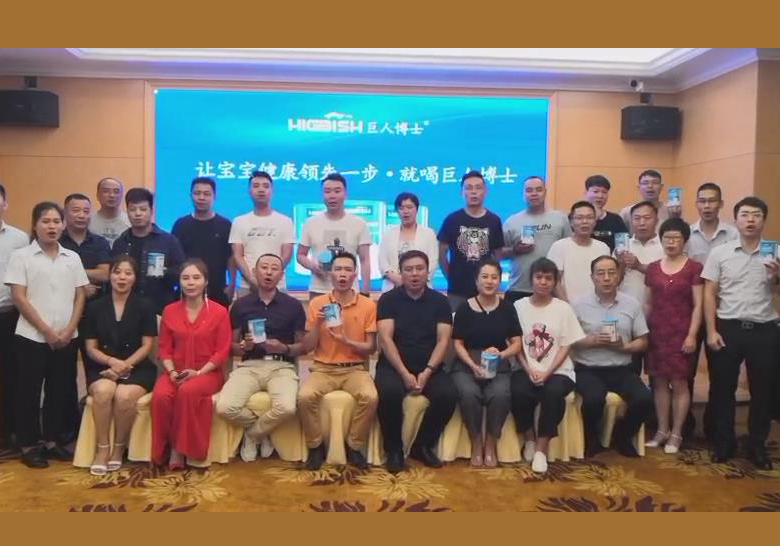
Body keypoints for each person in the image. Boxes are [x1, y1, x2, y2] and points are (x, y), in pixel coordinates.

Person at [4, 202, 89, 468]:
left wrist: (69, 329)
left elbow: (80, 295)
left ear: (63, 225)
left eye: (56, 222)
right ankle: (29, 445)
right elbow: (19, 297)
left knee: (59, 391)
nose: (52, 227)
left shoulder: (72, 257)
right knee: (28, 392)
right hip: (31, 337)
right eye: (45, 221)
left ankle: (52, 441)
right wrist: (46, 330)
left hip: (66, 337)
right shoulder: (21, 257)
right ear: (35, 225)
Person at [702, 196, 780, 469]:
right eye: (745, 214)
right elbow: (709, 292)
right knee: (723, 389)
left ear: (763, 220)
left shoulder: (777, 252)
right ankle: (724, 443)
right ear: (735, 220)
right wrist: (711, 330)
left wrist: (778, 277)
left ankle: (757, 445)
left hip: (765, 329)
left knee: (763, 391)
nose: (750, 220)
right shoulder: (720, 253)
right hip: (728, 327)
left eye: (756, 215)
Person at [215, 253, 306, 463]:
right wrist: (243, 346)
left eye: (274, 268)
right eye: (264, 267)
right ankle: (262, 431)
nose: (269, 272)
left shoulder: (293, 305)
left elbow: (302, 347)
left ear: (282, 274)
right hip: (249, 365)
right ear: (255, 272)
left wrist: (284, 347)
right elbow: (230, 347)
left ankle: (253, 434)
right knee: (224, 407)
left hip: (281, 367)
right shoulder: (240, 305)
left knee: (287, 407)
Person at [375, 250, 457, 473]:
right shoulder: (388, 300)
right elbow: (385, 339)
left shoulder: (440, 301)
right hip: (394, 366)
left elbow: (443, 340)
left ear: (428, 272)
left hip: (429, 365)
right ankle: (393, 450)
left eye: (419, 269)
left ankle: (423, 445)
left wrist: (428, 371)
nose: (414, 274)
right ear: (400, 273)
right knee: (389, 393)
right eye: (408, 269)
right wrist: (404, 373)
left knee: (448, 395)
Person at [298, 252, 378, 470]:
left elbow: (371, 347)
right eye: (338, 269)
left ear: (355, 274)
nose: (342, 274)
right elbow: (307, 346)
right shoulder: (318, 303)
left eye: (348, 270)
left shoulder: (368, 305)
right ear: (330, 273)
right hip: (323, 368)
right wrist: (318, 324)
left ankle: (354, 446)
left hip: (355, 369)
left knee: (370, 397)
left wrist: (346, 341)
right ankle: (315, 446)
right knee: (304, 397)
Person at [151, 259, 232, 468]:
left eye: (196, 278)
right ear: (179, 282)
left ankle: (179, 450)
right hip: (175, 371)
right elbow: (164, 349)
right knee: (161, 395)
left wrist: (198, 373)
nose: (191, 283)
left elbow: (222, 352)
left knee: (187, 391)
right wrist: (171, 373)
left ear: (206, 282)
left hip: (207, 373)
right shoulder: (169, 311)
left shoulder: (219, 312)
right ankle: (162, 449)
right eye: (185, 278)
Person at [82, 255, 158, 475]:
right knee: (104, 391)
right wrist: (111, 362)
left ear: (135, 278)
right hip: (102, 365)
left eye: (128, 273)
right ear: (110, 276)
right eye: (117, 272)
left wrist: (124, 365)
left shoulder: (145, 306)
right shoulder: (95, 307)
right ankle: (102, 448)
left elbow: (147, 346)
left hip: (137, 366)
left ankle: (118, 448)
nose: (122, 277)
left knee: (124, 396)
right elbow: (90, 348)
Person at [571, 255, 652, 458]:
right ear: (592, 278)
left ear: (619, 276)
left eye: (611, 273)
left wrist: (625, 347)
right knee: (593, 400)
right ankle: (592, 439)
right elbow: (568, 341)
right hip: (588, 368)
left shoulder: (631, 304)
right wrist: (591, 341)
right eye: (600, 273)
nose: (606, 278)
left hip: (621, 368)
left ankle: (622, 436)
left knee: (644, 399)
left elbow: (643, 341)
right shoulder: (579, 305)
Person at [511, 258, 584, 473]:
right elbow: (515, 343)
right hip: (526, 367)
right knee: (518, 390)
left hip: (558, 370)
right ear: (531, 279)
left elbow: (566, 345)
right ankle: (529, 439)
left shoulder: (563, 308)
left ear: (555, 282)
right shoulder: (518, 306)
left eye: (548, 278)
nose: (543, 282)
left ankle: (541, 450)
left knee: (553, 393)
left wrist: (547, 372)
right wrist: (529, 369)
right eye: (539, 277)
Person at [451, 258, 523, 467]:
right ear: (476, 281)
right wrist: (472, 365)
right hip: (467, 363)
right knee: (468, 394)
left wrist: (501, 355)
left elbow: (517, 344)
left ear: (500, 280)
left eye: (494, 277)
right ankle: (476, 442)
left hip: (498, 363)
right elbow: (457, 344)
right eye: (485, 277)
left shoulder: (507, 308)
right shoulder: (464, 308)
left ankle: (490, 443)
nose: (489, 281)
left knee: (500, 395)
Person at [644, 218, 703, 454]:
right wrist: (643, 331)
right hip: (657, 332)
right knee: (658, 382)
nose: (671, 242)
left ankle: (677, 433)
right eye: (667, 238)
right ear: (661, 240)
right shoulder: (653, 268)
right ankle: (662, 430)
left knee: (679, 383)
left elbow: (698, 305)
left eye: (676, 238)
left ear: (684, 241)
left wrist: (692, 335)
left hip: (682, 332)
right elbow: (648, 303)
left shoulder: (694, 268)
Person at [684, 182, 738, 441]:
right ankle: (685, 424)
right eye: (702, 201)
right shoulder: (687, 234)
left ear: (721, 204)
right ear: (696, 204)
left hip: (722, 311)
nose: (707, 206)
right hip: (690, 310)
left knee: (720, 373)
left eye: (712, 201)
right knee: (686, 370)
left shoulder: (734, 234)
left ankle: (714, 426)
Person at [298, 173, 372, 299]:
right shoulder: (311, 223)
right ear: (322, 195)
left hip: (350, 291)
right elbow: (300, 255)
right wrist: (313, 267)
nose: (332, 196)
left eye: (337, 191)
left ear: (345, 194)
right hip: (319, 290)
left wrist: (365, 292)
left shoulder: (359, 223)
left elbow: (365, 260)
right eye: (327, 191)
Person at [112, 188, 185, 315]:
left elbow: (181, 274)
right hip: (126, 311)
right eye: (132, 209)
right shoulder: (120, 242)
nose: (137, 214)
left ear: (151, 211)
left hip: (159, 310)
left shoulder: (169, 241)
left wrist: (162, 271)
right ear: (127, 211)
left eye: (143, 209)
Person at [438, 171, 504, 311]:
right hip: (457, 291)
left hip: (485, 290)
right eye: (469, 188)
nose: (474, 192)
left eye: (478, 187)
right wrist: (451, 278)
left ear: (485, 192)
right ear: (462, 192)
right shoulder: (452, 220)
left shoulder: (494, 220)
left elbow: (497, 256)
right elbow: (441, 254)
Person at [502, 176, 570, 304]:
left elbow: (568, 251)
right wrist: (515, 250)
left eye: (538, 190)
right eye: (529, 190)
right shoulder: (512, 221)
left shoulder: (560, 219)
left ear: (545, 192)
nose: (534, 193)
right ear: (523, 194)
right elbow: (498, 254)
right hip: (519, 288)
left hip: (552, 289)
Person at [0, 182, 32, 453]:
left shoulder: (19, 239)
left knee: (11, 375)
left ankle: (9, 434)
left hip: (9, 314)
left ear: (5, 204)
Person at [229, 171, 295, 297]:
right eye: (256, 186)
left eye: (265, 186)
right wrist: (252, 279)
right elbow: (237, 255)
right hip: (247, 286)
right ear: (249, 191)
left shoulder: (285, 221)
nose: (261, 190)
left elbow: (286, 255)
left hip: (277, 286)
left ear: (272, 191)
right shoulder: (239, 221)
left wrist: (271, 277)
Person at [616, 201, 663, 374]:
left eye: (647, 218)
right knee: (630, 369)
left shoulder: (665, 246)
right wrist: (620, 263)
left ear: (656, 220)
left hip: (659, 316)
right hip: (629, 316)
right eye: (637, 218)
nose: (642, 223)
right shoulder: (623, 246)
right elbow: (613, 281)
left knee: (658, 371)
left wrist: (639, 266)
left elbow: (668, 275)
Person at [172, 177, 234, 307]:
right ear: (191, 196)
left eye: (206, 194)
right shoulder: (181, 225)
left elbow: (231, 258)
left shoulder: (225, 225)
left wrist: (232, 283)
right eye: (197, 193)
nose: (201, 197)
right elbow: (173, 257)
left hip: (217, 289)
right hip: (187, 289)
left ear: (214, 196)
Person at [546, 201, 610, 302]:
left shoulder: (603, 247)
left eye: (589, 217)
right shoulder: (559, 246)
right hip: (567, 306)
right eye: (579, 218)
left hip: (598, 306)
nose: (585, 221)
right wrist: (567, 306)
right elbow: (554, 281)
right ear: (571, 222)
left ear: (595, 222)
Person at [377, 192, 438, 293]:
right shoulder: (388, 234)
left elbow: (433, 261)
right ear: (397, 211)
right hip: (393, 287)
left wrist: (415, 279)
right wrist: (396, 278)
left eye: (409, 207)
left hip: (422, 289)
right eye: (401, 208)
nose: (405, 211)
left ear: (416, 209)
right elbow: (382, 261)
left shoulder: (428, 233)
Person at [60, 194, 111, 301]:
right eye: (76, 210)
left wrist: (71, 272)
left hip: (95, 303)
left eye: (86, 211)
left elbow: (104, 274)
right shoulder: (57, 242)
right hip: (62, 301)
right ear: (64, 213)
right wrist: (82, 287)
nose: (81, 215)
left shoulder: (100, 243)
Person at [584, 175, 628, 252]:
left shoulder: (616, 219)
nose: (600, 196)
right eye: (596, 191)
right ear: (586, 193)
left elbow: (623, 247)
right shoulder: (576, 218)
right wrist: (593, 219)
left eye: (604, 192)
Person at [89, 177, 130, 247]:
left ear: (122, 196)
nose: (112, 195)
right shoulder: (88, 221)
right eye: (106, 191)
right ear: (98, 195)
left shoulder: (130, 222)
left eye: (116, 192)